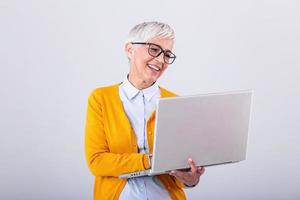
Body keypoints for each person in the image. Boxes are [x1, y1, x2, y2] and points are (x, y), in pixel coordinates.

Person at [85, 21, 205, 200]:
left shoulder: (175, 102)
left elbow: (180, 172)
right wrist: (151, 161)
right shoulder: (101, 98)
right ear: (129, 50)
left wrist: (190, 179)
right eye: (154, 49)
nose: (160, 60)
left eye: (167, 54)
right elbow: (97, 161)